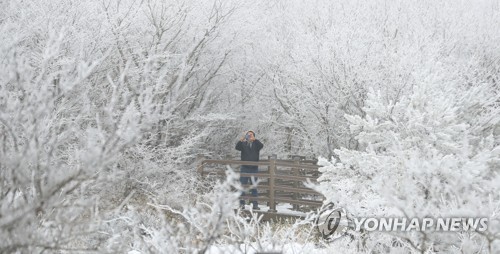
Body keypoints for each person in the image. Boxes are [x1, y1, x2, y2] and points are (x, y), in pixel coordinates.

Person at [235, 130, 264, 210]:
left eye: (251, 135)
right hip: (244, 167)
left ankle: (255, 205)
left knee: (254, 187)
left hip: (254, 168)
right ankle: (241, 204)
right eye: (248, 135)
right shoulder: (243, 144)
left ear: (254, 136)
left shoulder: (256, 144)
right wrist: (242, 139)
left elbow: (261, 146)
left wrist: (255, 139)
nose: (249, 136)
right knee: (242, 186)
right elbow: (237, 147)